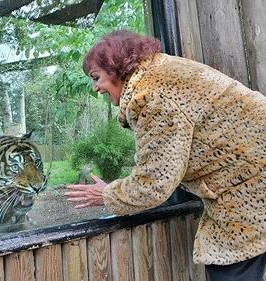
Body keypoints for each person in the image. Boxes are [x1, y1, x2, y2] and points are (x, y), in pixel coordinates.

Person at [64, 30, 266, 281]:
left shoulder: (150, 96)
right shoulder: (161, 70)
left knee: (229, 267)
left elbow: (154, 183)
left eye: (96, 78)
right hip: (252, 180)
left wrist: (107, 194)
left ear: (116, 67)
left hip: (251, 191)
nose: (96, 88)